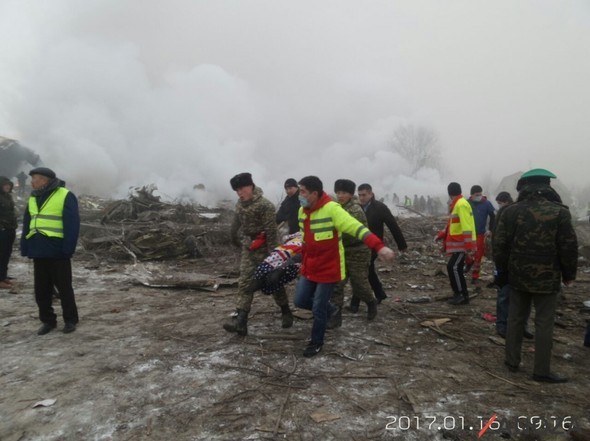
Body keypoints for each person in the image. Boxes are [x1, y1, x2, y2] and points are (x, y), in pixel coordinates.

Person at [293, 176, 395, 357]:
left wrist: (379, 247)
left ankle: (316, 342)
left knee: (318, 307)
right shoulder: (302, 211)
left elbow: (358, 228)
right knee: (300, 301)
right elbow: (305, 240)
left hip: (329, 268)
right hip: (310, 267)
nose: (299, 195)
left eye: (302, 191)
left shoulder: (333, 210)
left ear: (314, 194)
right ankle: (332, 309)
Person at [494, 168, 577, 383]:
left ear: (524, 186)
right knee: (544, 322)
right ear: (547, 186)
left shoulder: (510, 212)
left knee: (515, 318)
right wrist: (569, 274)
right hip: (548, 278)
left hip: (518, 275)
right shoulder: (560, 213)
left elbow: (499, 245)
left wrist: (502, 272)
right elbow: (568, 246)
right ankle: (541, 371)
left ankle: (511, 361)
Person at [223, 172, 293, 336]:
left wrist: (274, 257)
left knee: (273, 283)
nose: (240, 193)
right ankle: (241, 321)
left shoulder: (265, 205)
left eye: (242, 189)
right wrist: (234, 237)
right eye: (237, 190)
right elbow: (236, 222)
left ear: (251, 186)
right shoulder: (240, 204)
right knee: (245, 283)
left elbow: (271, 232)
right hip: (249, 248)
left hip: (266, 250)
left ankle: (285, 311)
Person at [21, 167, 80, 335]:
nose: (32, 181)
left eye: (35, 178)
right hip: (38, 250)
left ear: (45, 180)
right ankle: (48, 321)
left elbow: (72, 224)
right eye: (32, 178)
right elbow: (28, 223)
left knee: (64, 288)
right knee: (41, 289)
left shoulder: (64, 195)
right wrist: (25, 246)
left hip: (57, 250)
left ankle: (70, 320)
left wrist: (68, 248)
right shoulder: (33, 198)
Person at [328, 180, 378, 328]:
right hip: (343, 250)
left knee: (359, 283)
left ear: (350, 194)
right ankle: (336, 316)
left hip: (358, 251)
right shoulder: (338, 208)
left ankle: (371, 302)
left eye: (343, 193)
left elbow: (350, 232)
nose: (340, 195)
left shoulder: (355, 210)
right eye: (338, 192)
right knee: (337, 284)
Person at [353, 183, 407, 306]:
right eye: (359, 195)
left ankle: (355, 303)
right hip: (359, 245)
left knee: (363, 271)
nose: (361, 198)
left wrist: (401, 245)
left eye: (364, 195)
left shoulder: (380, 207)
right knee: (366, 271)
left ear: (371, 194)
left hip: (374, 245)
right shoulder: (357, 208)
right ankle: (379, 294)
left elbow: (393, 225)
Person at [492, 192, 533, 339]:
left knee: (523, 297)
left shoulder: (528, 212)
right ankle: (502, 325)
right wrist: (498, 264)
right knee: (505, 294)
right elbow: (497, 238)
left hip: (522, 262)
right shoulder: (505, 212)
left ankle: (522, 326)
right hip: (507, 262)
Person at [435, 182, 476, 305]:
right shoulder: (458, 204)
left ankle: (461, 295)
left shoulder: (461, 204)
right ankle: (459, 294)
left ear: (449, 193)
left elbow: (466, 226)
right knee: (454, 268)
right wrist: (441, 235)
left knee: (453, 267)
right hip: (458, 244)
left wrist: (468, 246)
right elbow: (452, 225)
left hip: (461, 244)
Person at [465, 185, 495, 283]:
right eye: (477, 195)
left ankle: (475, 276)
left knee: (478, 255)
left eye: (480, 194)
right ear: (472, 195)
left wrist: (490, 229)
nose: (479, 196)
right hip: (468, 233)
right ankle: (469, 262)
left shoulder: (486, 203)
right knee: (467, 252)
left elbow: (492, 216)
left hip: (480, 233)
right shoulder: (466, 203)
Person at [0, 176, 17, 289]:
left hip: (10, 228)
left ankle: (3, 275)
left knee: (6, 254)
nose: (7, 187)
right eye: (5, 185)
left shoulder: (8, 197)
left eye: (9, 185)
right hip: (2, 229)